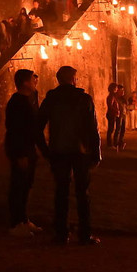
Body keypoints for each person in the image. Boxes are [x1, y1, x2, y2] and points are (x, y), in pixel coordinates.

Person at [38, 66, 101, 245]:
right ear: (73, 79)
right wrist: (96, 153)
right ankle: (84, 234)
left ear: (59, 80)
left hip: (58, 151)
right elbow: (92, 129)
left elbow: (38, 127)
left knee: (61, 193)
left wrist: (46, 151)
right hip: (80, 152)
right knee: (83, 193)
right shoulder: (84, 98)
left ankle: (61, 233)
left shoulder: (51, 99)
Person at [5, 69, 47, 237]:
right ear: (24, 83)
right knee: (18, 186)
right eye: (32, 79)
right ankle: (15, 224)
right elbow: (15, 130)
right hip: (20, 149)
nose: (36, 81)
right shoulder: (17, 102)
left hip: (28, 149)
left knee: (26, 185)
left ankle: (23, 219)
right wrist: (19, 154)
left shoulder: (29, 100)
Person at [106, 83, 120, 147]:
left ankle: (109, 143)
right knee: (111, 129)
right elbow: (110, 106)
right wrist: (116, 110)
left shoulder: (113, 96)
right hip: (111, 114)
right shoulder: (111, 96)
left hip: (112, 114)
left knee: (111, 129)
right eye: (116, 88)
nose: (117, 89)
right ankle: (109, 143)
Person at [114, 84, 127, 150]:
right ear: (117, 90)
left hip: (123, 114)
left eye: (123, 90)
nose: (122, 92)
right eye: (121, 90)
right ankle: (115, 142)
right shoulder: (115, 98)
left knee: (123, 129)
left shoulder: (123, 99)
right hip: (119, 115)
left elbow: (125, 106)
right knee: (118, 128)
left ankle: (121, 141)